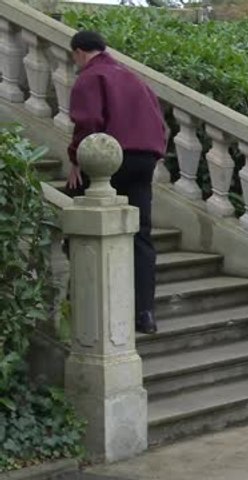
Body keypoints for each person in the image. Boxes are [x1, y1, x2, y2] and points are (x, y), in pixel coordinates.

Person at [66, 30, 167, 334]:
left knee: (76, 216)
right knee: (141, 234)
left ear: (79, 52)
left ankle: (79, 297)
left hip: (111, 159)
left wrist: (75, 159)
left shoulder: (91, 77)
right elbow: (159, 121)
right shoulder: (132, 77)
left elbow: (89, 124)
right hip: (144, 159)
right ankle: (145, 313)